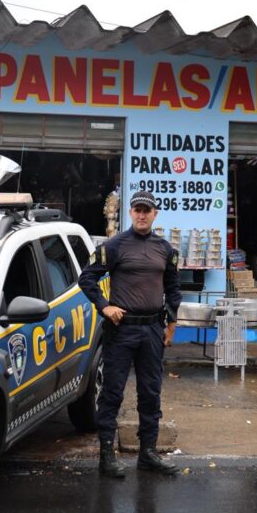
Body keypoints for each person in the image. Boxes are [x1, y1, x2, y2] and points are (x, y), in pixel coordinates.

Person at [78, 190, 182, 478]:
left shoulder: (166, 250)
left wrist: (171, 324)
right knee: (112, 392)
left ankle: (147, 453)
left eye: (147, 210)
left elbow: (173, 289)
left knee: (150, 393)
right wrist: (104, 306)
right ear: (130, 212)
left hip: (152, 330)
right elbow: (86, 278)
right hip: (121, 330)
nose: (141, 214)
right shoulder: (115, 246)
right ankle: (106, 456)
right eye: (137, 209)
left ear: (155, 214)